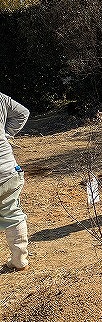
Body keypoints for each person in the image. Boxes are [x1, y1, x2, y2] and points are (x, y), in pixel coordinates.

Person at [1, 92, 30, 272]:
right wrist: (5, 134)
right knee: (12, 213)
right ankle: (19, 261)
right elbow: (23, 113)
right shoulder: (1, 98)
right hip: (7, 168)